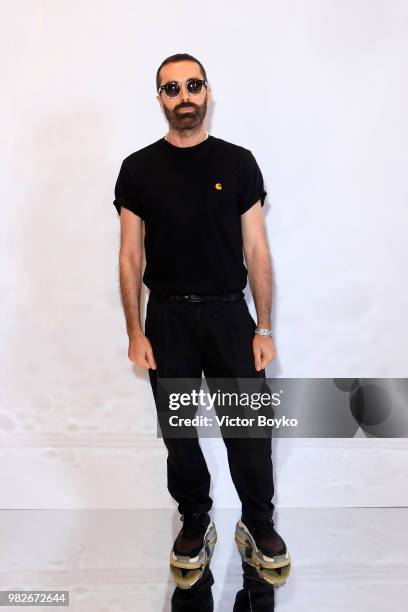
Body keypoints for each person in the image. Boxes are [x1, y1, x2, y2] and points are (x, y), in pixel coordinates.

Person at [113, 53, 289, 579]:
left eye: (193, 85)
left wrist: (263, 327)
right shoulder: (138, 168)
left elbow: (256, 250)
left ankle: (258, 522)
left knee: (249, 430)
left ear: (208, 91)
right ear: (160, 99)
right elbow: (129, 256)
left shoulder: (237, 162)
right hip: (168, 322)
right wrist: (135, 331)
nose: (183, 96)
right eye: (172, 88)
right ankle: (195, 520)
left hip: (231, 319)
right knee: (179, 433)